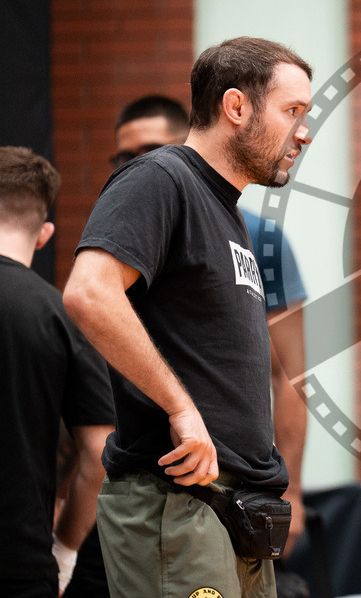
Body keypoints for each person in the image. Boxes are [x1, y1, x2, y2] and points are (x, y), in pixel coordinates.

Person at [63, 37, 313, 598]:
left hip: (240, 510)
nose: (304, 132)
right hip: (177, 504)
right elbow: (88, 292)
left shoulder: (228, 212)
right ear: (236, 107)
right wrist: (180, 407)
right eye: (292, 110)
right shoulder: (160, 177)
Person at [0, 146, 114, 596]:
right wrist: (64, 552)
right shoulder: (63, 316)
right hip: (19, 568)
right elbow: (100, 451)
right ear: (44, 234)